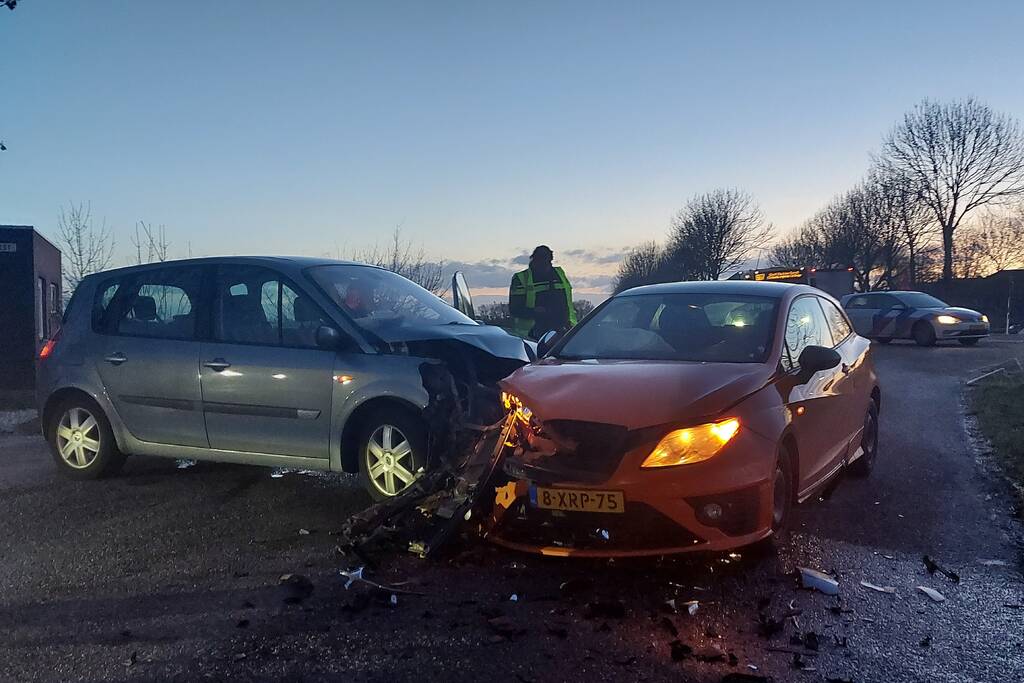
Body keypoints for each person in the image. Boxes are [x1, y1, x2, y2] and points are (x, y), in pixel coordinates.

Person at [509, 245, 577, 339]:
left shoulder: (559, 274)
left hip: (563, 330)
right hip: (532, 335)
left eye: (547, 261)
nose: (544, 265)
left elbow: (566, 302)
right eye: (541, 260)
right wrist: (535, 311)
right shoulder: (521, 278)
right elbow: (515, 309)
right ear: (534, 260)